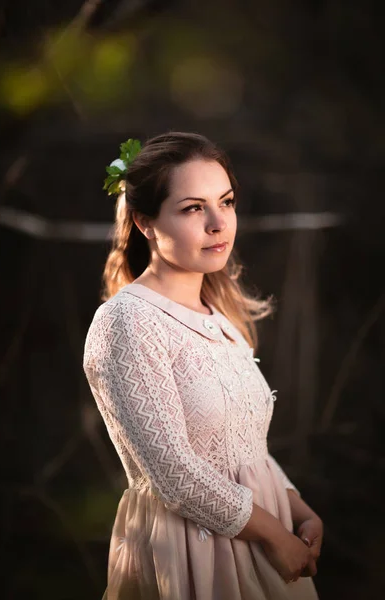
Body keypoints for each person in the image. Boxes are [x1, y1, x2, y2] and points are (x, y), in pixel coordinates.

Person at [83, 132, 323, 599]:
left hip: (264, 542)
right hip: (194, 553)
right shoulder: (128, 322)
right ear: (145, 222)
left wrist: (297, 511)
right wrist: (275, 535)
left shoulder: (219, 317)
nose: (219, 223)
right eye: (193, 208)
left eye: (226, 201)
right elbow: (174, 472)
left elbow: (243, 447)